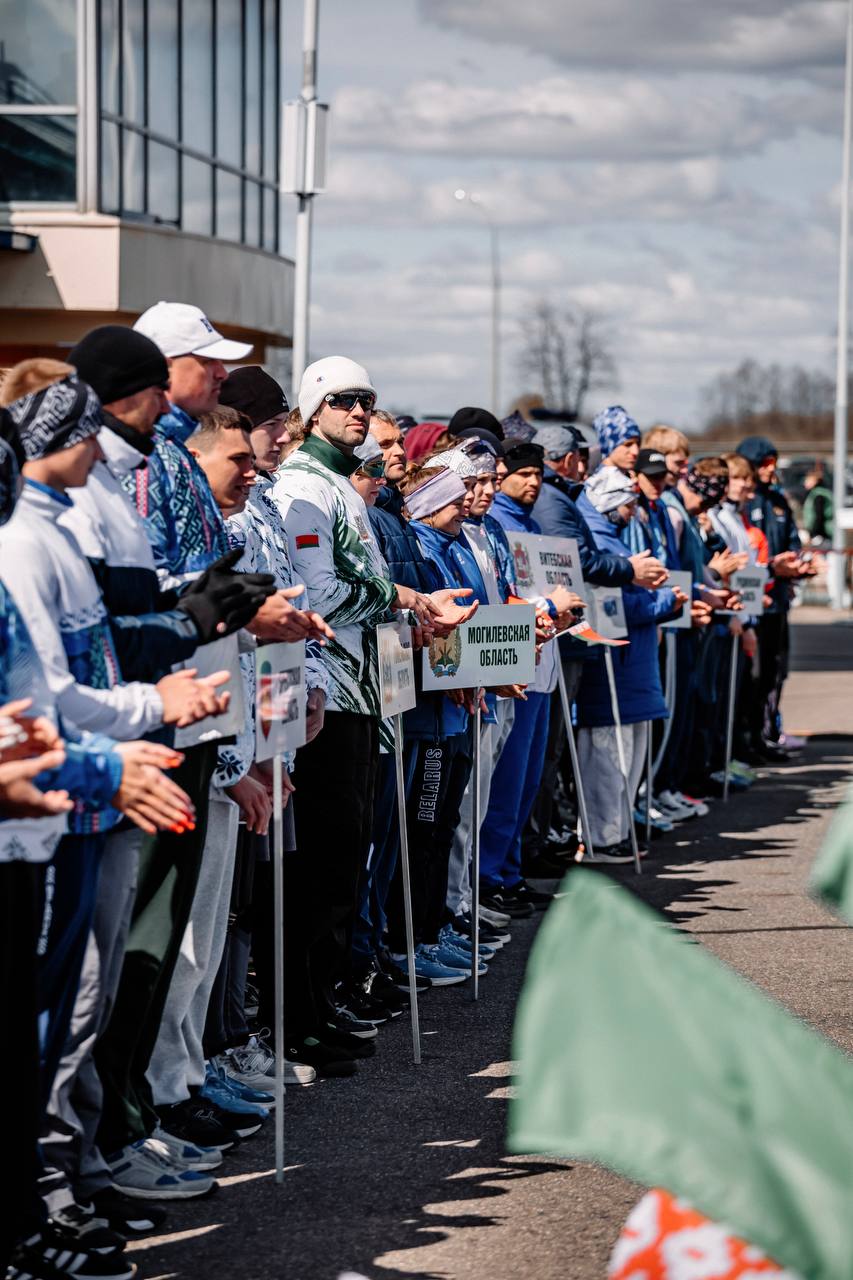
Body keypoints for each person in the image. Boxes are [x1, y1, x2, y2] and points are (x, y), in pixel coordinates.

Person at [270, 357, 440, 1073]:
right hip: (325, 699)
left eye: (367, 401)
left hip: (362, 697)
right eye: (343, 401)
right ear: (312, 411)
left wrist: (407, 611)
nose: (359, 412)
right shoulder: (303, 486)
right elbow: (322, 597)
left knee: (344, 868)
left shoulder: (340, 485)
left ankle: (318, 1004)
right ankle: (293, 1020)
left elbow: (350, 588)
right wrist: (401, 598)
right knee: (320, 872)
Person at [574, 468, 679, 861]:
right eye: (627, 504)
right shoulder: (598, 535)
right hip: (612, 659)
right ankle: (602, 834)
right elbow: (608, 601)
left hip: (633, 659)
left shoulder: (614, 534)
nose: (633, 512)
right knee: (606, 752)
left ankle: (616, 828)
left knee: (630, 751)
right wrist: (665, 603)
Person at [736, 435, 811, 757]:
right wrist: (770, 568)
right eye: (764, 463)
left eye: (773, 463)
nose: (771, 469)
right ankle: (744, 739)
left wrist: (798, 564)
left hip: (777, 601)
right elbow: (743, 557)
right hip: (750, 602)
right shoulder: (744, 502)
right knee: (748, 676)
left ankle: (764, 734)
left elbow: (792, 542)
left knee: (773, 671)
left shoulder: (778, 500)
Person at [594, 404, 641, 475]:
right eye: (628, 444)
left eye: (638, 444)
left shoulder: (626, 481)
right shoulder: (601, 484)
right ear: (608, 446)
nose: (635, 452)